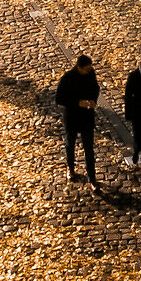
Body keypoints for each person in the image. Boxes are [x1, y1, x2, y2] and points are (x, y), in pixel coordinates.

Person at [54, 54, 101, 186]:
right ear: (79, 67)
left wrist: (93, 101)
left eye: (90, 68)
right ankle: (71, 169)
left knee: (89, 148)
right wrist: (78, 103)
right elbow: (59, 99)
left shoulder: (91, 74)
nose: (89, 71)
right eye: (87, 69)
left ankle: (92, 177)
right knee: (70, 144)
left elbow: (95, 89)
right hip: (72, 117)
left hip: (87, 117)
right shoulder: (67, 78)